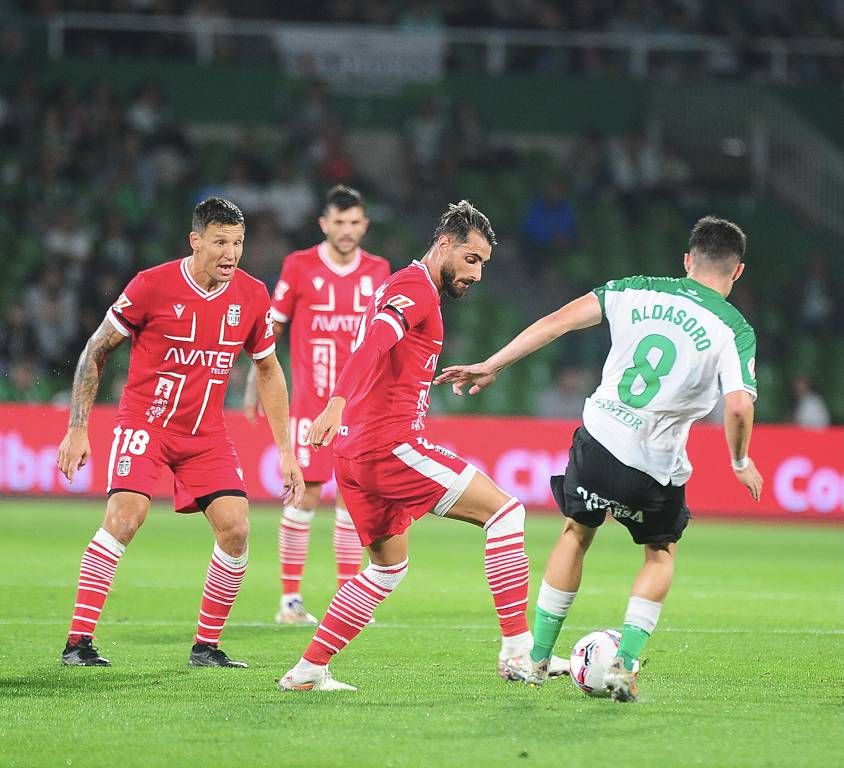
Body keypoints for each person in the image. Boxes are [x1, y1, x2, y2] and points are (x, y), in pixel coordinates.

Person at [436, 216, 763, 702]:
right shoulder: (733, 327)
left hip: (599, 438)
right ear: (737, 273)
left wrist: (492, 364)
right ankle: (625, 667)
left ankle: (538, 658)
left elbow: (555, 323)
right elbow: (738, 404)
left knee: (576, 532)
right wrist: (740, 461)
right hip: (654, 464)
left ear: (687, 260)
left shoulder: (633, 289)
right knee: (660, 553)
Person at [277, 200, 567, 692]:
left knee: (387, 569)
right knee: (507, 514)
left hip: (355, 453)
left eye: (484, 265)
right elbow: (374, 340)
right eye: (472, 259)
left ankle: (308, 670)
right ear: (445, 244)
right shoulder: (415, 289)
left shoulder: (405, 285)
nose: (476, 274)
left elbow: (392, 357)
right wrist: (336, 402)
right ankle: (519, 653)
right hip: (387, 446)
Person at [57, 198, 305, 668]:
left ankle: (205, 647)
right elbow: (95, 350)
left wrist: (286, 451)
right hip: (146, 423)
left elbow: (269, 371)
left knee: (236, 529)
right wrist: (77, 428)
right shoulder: (152, 285)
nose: (230, 253)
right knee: (126, 518)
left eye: (238, 243)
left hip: (205, 433)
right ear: (195, 241)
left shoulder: (252, 295)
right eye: (220, 242)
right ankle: (78, 643)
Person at [243, 185, 391, 625]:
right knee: (304, 495)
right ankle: (290, 601)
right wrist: (256, 379)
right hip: (310, 404)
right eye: (338, 222)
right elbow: (270, 330)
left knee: (352, 498)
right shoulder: (300, 265)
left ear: (364, 225)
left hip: (361, 407)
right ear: (324, 224)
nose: (346, 230)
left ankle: (348, 602)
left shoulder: (380, 271)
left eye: (354, 222)